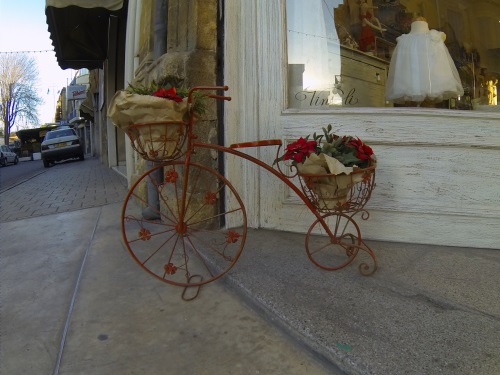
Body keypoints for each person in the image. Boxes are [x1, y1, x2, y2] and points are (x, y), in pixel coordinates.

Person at [385, 17, 464, 104]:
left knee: (428, 106)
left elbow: (440, 64)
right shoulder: (403, 40)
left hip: (434, 82)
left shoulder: (435, 37)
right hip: (409, 84)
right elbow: (401, 68)